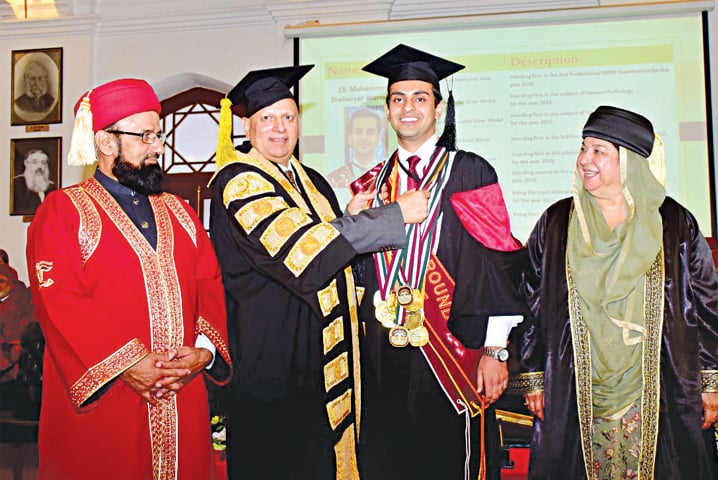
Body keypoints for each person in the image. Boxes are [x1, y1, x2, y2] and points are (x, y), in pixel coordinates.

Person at [209, 65, 429, 480]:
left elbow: (332, 242)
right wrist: (393, 216)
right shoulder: (239, 182)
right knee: (284, 460)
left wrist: (350, 218)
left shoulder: (309, 180)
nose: (280, 129)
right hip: (273, 358)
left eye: (288, 117)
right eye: (267, 119)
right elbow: (302, 250)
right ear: (246, 124)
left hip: (322, 356)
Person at [25, 78, 232, 480]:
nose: (158, 147)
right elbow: (59, 301)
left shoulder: (180, 212)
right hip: (109, 399)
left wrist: (204, 352)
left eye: (159, 135)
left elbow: (210, 283)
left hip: (181, 391)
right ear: (105, 142)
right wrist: (127, 364)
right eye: (145, 136)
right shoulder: (63, 211)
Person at [513, 105, 718, 478]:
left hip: (663, 386)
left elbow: (707, 305)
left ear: (629, 163)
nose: (584, 161)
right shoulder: (557, 223)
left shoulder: (673, 223)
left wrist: (710, 383)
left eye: (598, 151)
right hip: (573, 385)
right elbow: (532, 302)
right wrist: (533, 376)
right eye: (582, 148)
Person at [358, 44, 526, 480]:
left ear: (438, 108)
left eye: (419, 98)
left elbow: (500, 260)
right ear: (388, 110)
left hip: (455, 349)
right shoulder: (371, 184)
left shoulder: (470, 172)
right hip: (383, 354)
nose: (407, 107)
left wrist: (496, 348)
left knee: (449, 463)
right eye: (398, 99)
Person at [328, 107, 385, 189]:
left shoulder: (389, 174)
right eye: (358, 132)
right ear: (349, 138)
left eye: (370, 132)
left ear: (379, 138)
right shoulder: (335, 179)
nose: (364, 137)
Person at [12, 148, 57, 215]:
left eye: (43, 163)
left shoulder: (53, 188)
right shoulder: (14, 185)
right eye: (34, 162)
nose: (39, 166)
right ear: (26, 163)